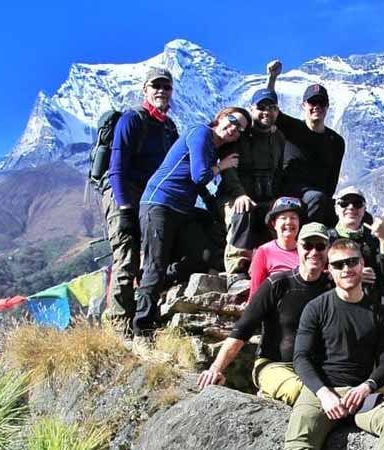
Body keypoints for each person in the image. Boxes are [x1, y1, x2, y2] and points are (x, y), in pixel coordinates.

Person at [131, 108, 248, 336]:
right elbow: (200, 175)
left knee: (201, 257)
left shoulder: (213, 147)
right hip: (159, 203)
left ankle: (159, 284)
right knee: (156, 264)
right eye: (233, 120)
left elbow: (198, 183)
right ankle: (141, 330)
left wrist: (211, 203)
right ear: (221, 117)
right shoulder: (201, 133)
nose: (234, 128)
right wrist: (222, 166)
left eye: (240, 129)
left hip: (182, 209)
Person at [285, 239, 384, 450]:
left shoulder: (380, 314)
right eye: (338, 264)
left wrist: (366, 387)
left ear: (362, 264)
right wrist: (323, 394)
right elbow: (301, 358)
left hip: (360, 396)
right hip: (321, 393)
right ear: (329, 270)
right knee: (297, 443)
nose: (346, 269)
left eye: (351, 262)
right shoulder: (316, 308)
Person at [196, 222, 332, 405]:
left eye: (320, 246)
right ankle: (270, 392)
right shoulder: (278, 284)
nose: (314, 252)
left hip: (316, 369)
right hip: (274, 366)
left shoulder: (331, 288)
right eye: (307, 245)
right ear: (298, 248)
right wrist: (215, 369)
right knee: (305, 393)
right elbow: (243, 329)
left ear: (328, 250)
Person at [101, 67, 179, 334]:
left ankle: (145, 320)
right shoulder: (132, 120)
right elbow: (116, 168)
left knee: (153, 258)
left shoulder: (169, 127)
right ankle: (119, 328)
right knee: (127, 256)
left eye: (166, 86)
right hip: (122, 191)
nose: (161, 90)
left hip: (151, 198)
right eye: (155, 85)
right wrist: (124, 209)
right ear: (145, 90)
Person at [218, 88, 287, 291]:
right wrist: (240, 194)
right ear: (252, 109)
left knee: (284, 215)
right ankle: (237, 271)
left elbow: (278, 172)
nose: (266, 112)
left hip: (265, 197)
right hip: (233, 195)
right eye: (261, 107)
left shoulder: (279, 138)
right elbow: (229, 171)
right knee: (242, 209)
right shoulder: (239, 135)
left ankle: (280, 266)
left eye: (271, 107)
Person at [266, 60, 345, 227]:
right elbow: (270, 106)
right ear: (303, 105)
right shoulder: (292, 127)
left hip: (320, 197)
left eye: (321, 103)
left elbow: (333, 178)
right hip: (289, 193)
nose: (317, 106)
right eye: (312, 102)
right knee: (316, 198)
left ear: (327, 107)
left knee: (350, 211)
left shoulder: (336, 141)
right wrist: (272, 78)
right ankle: (304, 242)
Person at [325, 186, 384, 301]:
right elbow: (318, 274)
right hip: (338, 303)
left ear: (364, 210)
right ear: (336, 209)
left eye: (357, 203)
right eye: (344, 203)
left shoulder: (373, 239)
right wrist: (352, 274)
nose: (351, 207)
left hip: (372, 304)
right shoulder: (326, 239)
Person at [248, 197, 304, 300]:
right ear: (274, 224)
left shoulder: (308, 250)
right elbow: (255, 295)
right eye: (283, 218)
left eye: (293, 218)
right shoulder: (264, 252)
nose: (289, 222)